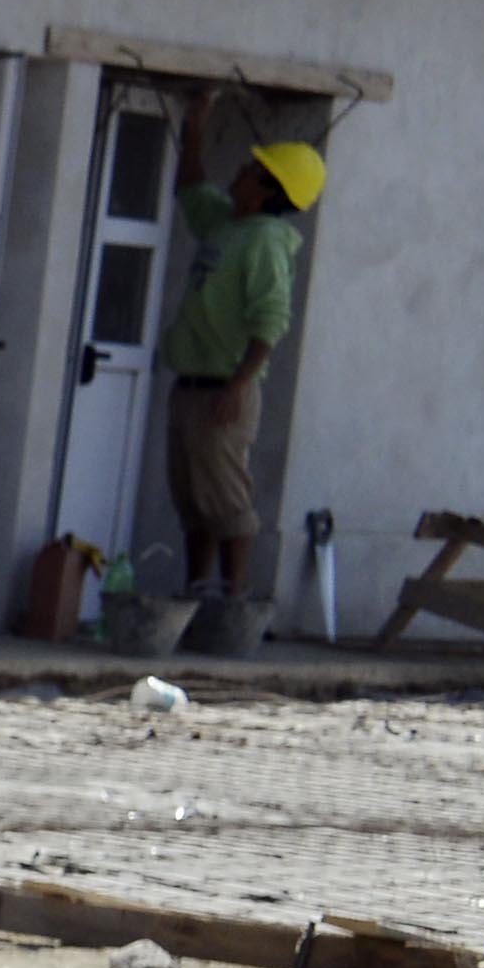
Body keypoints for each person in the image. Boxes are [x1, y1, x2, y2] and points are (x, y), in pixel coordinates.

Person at [165, 135, 321, 656]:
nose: (238, 175)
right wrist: (200, 123)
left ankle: (232, 607)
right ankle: (196, 597)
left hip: (222, 390)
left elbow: (271, 322)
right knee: (195, 500)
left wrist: (237, 385)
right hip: (193, 385)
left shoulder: (266, 241)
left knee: (227, 501)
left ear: (267, 190)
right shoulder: (229, 226)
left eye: (250, 172)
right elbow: (191, 187)